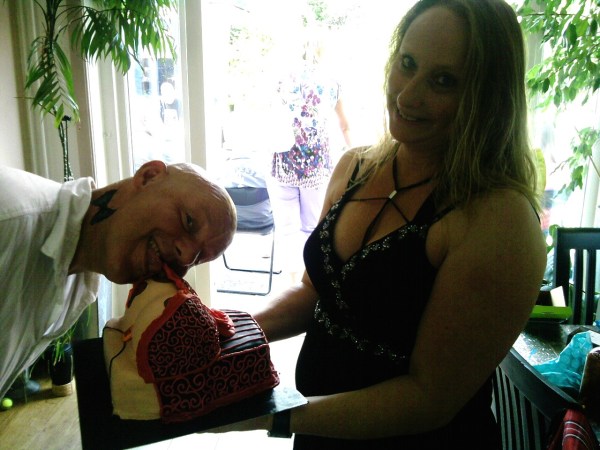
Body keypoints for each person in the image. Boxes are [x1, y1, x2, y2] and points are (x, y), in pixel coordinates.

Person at [212, 0, 547, 448]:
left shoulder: (498, 220)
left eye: (443, 81)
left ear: (487, 97)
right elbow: (315, 293)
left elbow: (429, 398)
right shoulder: (355, 167)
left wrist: (267, 415)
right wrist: (224, 334)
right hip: (318, 431)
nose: (407, 96)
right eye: (407, 64)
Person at [0, 160, 236, 399]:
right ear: (149, 176)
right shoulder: (9, 217)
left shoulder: (78, 285)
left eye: (197, 258)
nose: (185, 257)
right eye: (188, 221)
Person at [268, 31, 353, 283]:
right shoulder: (332, 82)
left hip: (283, 162)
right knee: (312, 228)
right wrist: (357, 156)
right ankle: (307, 284)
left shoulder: (283, 78)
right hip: (316, 165)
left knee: (287, 229)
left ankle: (291, 282)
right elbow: (345, 125)